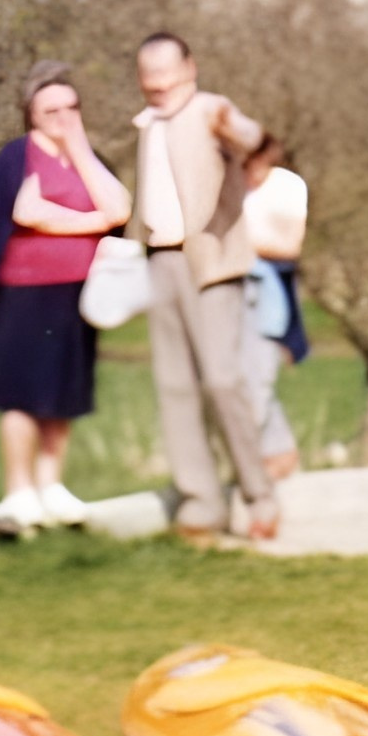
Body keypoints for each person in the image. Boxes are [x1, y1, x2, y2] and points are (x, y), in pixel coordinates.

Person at [131, 33, 278, 543]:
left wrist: (235, 129)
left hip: (212, 261)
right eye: (148, 81)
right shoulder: (148, 123)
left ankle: (259, 494)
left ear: (189, 68)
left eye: (166, 77)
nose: (158, 88)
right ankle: (201, 501)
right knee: (175, 385)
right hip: (161, 260)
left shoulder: (212, 108)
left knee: (221, 379)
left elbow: (252, 138)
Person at [0, 61, 127, 536]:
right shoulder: (19, 155)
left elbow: (120, 207)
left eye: (70, 107)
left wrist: (79, 148)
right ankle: (19, 491)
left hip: (78, 290)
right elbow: (27, 210)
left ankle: (51, 486)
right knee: (20, 388)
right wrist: (92, 220)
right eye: (51, 109)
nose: (62, 116)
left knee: (63, 386)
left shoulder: (88, 155)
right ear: (31, 114)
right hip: (25, 288)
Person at [237, 131, 308, 487]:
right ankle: (278, 452)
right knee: (236, 374)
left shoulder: (287, 187)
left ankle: (259, 458)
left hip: (270, 286)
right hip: (233, 284)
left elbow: (290, 245)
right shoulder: (230, 184)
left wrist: (241, 243)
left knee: (260, 374)